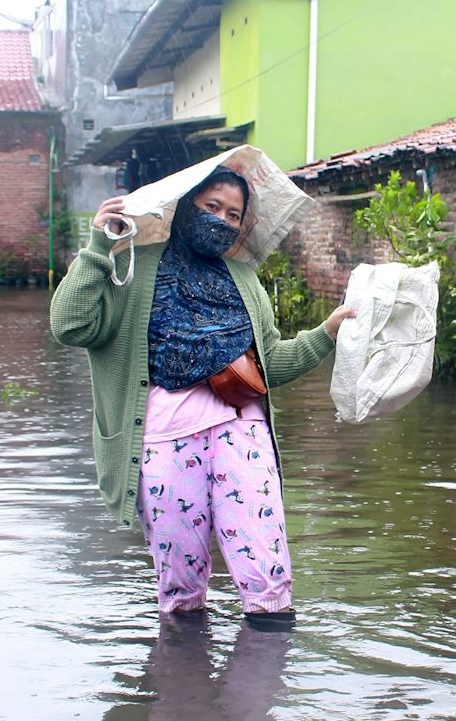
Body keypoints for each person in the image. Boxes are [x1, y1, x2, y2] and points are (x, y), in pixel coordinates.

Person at [51, 167, 354, 629]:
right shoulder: (131, 265)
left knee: (267, 573)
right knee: (181, 587)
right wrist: (98, 248)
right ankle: (183, 694)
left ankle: (262, 695)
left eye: (233, 215)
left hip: (242, 430)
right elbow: (71, 326)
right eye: (211, 207)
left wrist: (327, 332)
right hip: (163, 440)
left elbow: (271, 363)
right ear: (185, 206)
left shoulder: (244, 279)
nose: (222, 221)